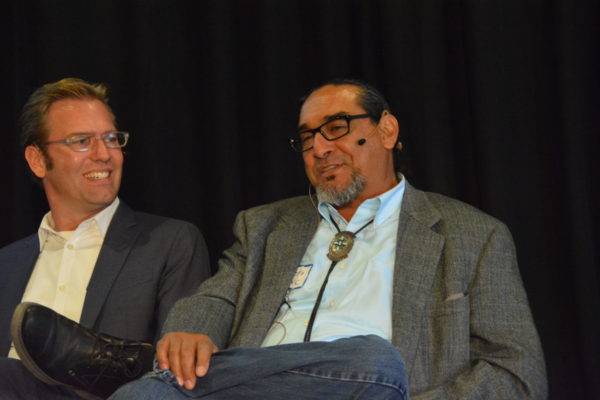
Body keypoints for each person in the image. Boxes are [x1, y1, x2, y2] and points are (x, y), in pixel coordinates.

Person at [14, 79, 548, 399]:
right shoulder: (267, 225)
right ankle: (150, 374)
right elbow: (212, 300)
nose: (319, 148)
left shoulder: (470, 236)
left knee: (378, 360)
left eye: (337, 127)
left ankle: (139, 367)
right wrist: (185, 333)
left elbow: (517, 374)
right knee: (144, 394)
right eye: (308, 138)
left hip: (372, 387)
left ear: (386, 130)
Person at [0, 78, 211, 399]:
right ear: (38, 160)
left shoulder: (170, 242)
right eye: (82, 141)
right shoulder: (6, 265)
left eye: (112, 139)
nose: (104, 154)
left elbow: (178, 373)